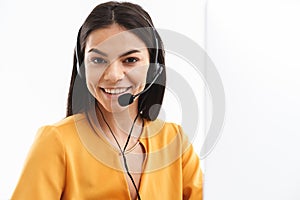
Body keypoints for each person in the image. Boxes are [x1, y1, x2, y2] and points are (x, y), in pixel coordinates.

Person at [11, 1, 203, 199]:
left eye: (130, 60)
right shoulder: (57, 141)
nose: (113, 75)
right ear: (82, 67)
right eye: (98, 60)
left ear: (153, 67)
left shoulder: (175, 142)